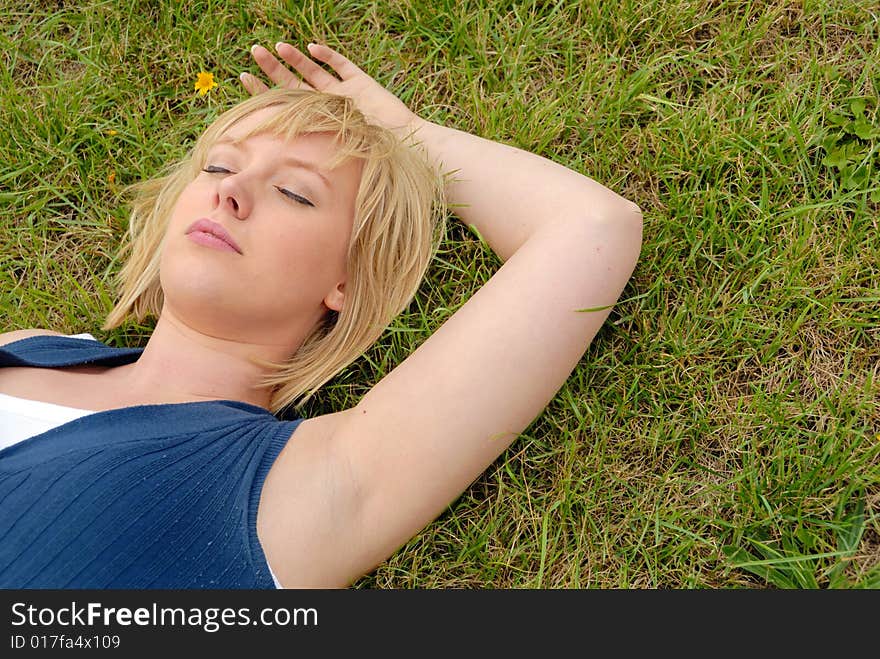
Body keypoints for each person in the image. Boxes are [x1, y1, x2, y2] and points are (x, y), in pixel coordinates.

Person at [0, 42, 643, 588]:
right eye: (220, 164)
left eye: (293, 192)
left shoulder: (296, 489)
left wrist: (409, 137)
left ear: (347, 279)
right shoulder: (32, 347)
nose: (230, 189)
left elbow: (592, 228)